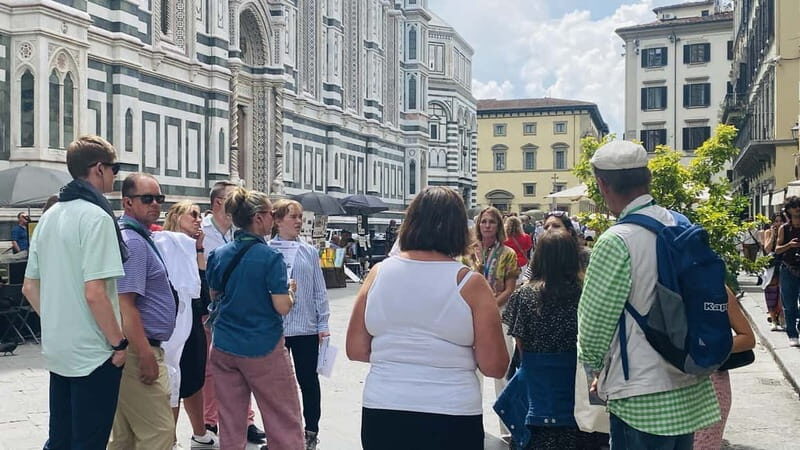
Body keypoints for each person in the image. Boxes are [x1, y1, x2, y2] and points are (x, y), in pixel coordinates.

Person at [578, 140, 720, 449]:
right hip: (689, 385)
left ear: (603, 184)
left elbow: (593, 328)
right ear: (648, 178)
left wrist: (595, 369)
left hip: (639, 394)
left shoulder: (616, 241)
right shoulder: (680, 224)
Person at [346, 186, 509, 450]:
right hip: (451, 410)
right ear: (458, 229)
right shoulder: (471, 284)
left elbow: (355, 349)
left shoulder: (377, 274)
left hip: (384, 406)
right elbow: (494, 366)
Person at [22, 135, 127, 450]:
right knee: (89, 441)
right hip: (94, 353)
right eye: (114, 168)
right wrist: (118, 343)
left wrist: (58, 318)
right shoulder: (96, 217)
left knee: (61, 440)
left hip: (59, 349)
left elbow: (30, 287)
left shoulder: (50, 216)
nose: (114, 175)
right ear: (98, 169)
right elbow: (95, 292)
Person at [206, 188, 304, 450]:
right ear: (259, 218)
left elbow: (215, 294)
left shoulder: (219, 254)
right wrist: (291, 293)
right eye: (272, 214)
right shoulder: (270, 257)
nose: (273, 218)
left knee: (230, 420)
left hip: (224, 344)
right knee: (283, 419)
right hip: (263, 346)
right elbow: (282, 306)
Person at [109, 173, 177, 450]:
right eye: (146, 199)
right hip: (140, 350)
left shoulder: (137, 237)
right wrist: (146, 355)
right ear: (127, 202)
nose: (155, 204)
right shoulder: (134, 242)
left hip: (137, 348)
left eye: (158, 198)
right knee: (159, 433)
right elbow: (126, 304)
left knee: (126, 438)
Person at [501, 229, 585, 449]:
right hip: (573, 386)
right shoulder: (583, 293)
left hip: (535, 388)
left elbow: (520, 343)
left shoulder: (524, 295)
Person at [200, 180, 266, 444]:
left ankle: (246, 420)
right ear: (219, 204)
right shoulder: (202, 231)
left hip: (237, 309)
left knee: (241, 366)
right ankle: (209, 418)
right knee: (210, 366)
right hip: (210, 308)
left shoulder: (238, 232)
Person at [269, 199, 331, 450]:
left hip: (305, 327)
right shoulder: (267, 250)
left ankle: (311, 431)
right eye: (293, 216)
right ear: (277, 219)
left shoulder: (309, 251)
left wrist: (323, 323)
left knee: (308, 380)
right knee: (277, 384)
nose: (298, 222)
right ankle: (281, 433)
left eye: (300, 217)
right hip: (277, 327)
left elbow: (319, 290)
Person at [155, 201, 217, 448]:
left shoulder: (190, 247)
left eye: (200, 216)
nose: (198, 220)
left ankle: (199, 431)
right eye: (193, 215)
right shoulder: (164, 243)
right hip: (173, 321)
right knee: (174, 378)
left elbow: (201, 292)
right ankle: (169, 437)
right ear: (176, 216)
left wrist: (200, 250)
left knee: (194, 377)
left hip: (191, 320)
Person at [693, 287, 755, 450]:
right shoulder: (662, 280)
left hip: (710, 388)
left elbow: (748, 338)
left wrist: (705, 348)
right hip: (667, 387)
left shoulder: (717, 287)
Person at [774, 196, 800, 347]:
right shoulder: (785, 228)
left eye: (799, 205)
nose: (798, 208)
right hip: (788, 269)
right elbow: (777, 250)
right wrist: (789, 245)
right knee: (789, 304)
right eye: (794, 206)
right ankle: (792, 334)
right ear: (789, 210)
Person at [762, 213, 785, 331]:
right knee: (771, 292)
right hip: (771, 266)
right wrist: (772, 235)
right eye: (776, 221)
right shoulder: (767, 232)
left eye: (781, 221)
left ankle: (781, 317)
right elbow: (767, 248)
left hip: (784, 264)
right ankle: (773, 320)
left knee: (782, 292)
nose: (778, 223)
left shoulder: (786, 231)